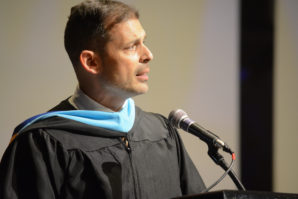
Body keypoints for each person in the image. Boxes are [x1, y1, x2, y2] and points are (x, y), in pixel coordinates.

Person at [0, 0, 206, 198]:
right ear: (91, 62)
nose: (148, 54)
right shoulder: (43, 143)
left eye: (144, 42)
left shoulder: (161, 132)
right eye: (132, 46)